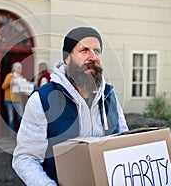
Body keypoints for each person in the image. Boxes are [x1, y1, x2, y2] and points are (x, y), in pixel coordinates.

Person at [12, 27, 129, 185]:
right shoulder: (42, 99)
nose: (93, 57)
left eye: (97, 51)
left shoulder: (109, 96)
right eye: (84, 50)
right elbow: (25, 158)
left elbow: (125, 144)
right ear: (67, 58)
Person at [1, 62, 24, 136]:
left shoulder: (21, 77)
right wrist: (9, 82)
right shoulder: (9, 76)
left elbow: (24, 90)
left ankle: (20, 133)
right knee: (11, 118)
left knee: (21, 116)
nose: (20, 69)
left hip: (18, 100)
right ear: (14, 68)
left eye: (21, 67)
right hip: (8, 100)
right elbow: (3, 87)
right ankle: (11, 134)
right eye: (19, 67)